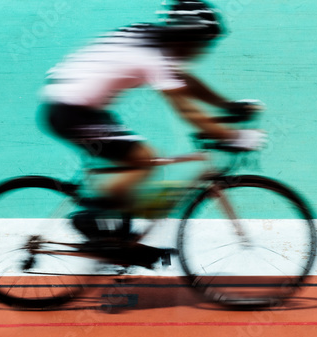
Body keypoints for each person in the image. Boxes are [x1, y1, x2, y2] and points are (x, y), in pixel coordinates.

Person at [39, 0, 265, 248]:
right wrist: (234, 137)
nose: (203, 51)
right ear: (187, 37)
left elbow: (184, 81)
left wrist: (227, 106)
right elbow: (187, 109)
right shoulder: (152, 55)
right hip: (71, 110)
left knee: (132, 164)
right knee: (144, 159)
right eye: (203, 43)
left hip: (77, 107)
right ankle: (91, 217)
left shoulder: (154, 41)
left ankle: (113, 233)